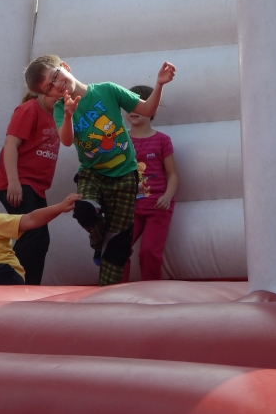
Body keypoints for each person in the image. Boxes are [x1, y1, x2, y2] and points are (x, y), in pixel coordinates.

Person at [24, 55, 175, 286]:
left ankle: (108, 291)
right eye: (49, 87)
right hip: (93, 173)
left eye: (55, 76)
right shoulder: (61, 109)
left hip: (125, 174)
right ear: (48, 95)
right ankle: (98, 241)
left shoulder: (107, 90)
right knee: (84, 209)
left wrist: (160, 84)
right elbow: (67, 140)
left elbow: (147, 108)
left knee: (118, 246)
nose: (57, 85)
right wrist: (69, 114)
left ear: (64, 67)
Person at [0, 91, 60, 285]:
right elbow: (11, 144)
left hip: (36, 186)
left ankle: (30, 287)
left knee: (42, 239)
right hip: (17, 183)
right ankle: (11, 284)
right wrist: (13, 182)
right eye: (55, 94)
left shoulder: (58, 114)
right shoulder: (29, 109)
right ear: (41, 90)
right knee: (32, 233)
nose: (60, 99)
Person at [121, 85, 178, 282]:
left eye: (139, 105)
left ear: (152, 109)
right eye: (129, 105)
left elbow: (172, 175)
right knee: (119, 248)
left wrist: (167, 196)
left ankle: (152, 290)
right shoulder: (121, 140)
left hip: (157, 205)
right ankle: (118, 290)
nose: (133, 110)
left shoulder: (162, 140)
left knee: (149, 252)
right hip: (129, 207)